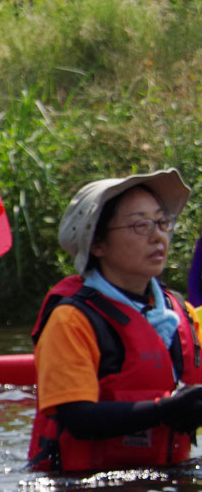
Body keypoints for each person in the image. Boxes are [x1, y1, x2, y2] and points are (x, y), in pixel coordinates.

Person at [28, 168, 202, 473]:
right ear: (98, 245)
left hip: (166, 484)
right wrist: (165, 410)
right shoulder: (71, 321)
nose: (158, 235)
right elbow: (78, 418)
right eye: (140, 225)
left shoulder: (181, 313)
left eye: (162, 222)